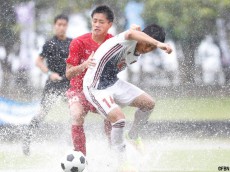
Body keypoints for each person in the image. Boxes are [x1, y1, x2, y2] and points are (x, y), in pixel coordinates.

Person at [83, 24, 172, 166]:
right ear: (143, 37)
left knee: (149, 104)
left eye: (152, 49)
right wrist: (158, 43)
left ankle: (133, 135)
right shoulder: (128, 39)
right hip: (94, 86)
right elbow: (131, 34)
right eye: (148, 45)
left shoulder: (138, 50)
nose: (148, 50)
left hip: (113, 83)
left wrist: (154, 43)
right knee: (119, 119)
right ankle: (122, 163)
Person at [22, 14, 72, 155]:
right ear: (54, 25)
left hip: (69, 83)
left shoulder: (72, 42)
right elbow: (38, 61)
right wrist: (50, 73)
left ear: (67, 26)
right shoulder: (49, 43)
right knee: (42, 112)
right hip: (53, 83)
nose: (61, 27)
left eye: (64, 24)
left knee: (75, 112)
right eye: (58, 24)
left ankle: (71, 141)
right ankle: (27, 138)